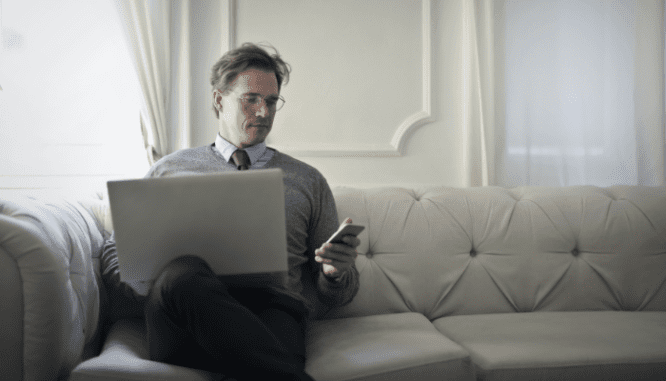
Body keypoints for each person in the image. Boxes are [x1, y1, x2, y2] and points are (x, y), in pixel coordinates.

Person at [100, 43, 361, 381]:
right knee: (183, 272)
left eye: (270, 102)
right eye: (251, 99)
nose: (263, 113)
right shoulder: (168, 169)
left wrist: (334, 273)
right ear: (219, 99)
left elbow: (341, 293)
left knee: (257, 328)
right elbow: (112, 252)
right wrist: (149, 282)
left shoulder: (307, 180)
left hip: (271, 313)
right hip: (182, 315)